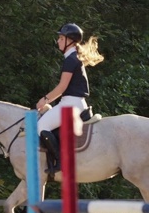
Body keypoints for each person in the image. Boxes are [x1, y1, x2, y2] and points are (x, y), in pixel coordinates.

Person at [36, 23, 104, 173]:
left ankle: (61, 161)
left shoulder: (71, 60)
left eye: (61, 38)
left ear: (70, 41)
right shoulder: (73, 57)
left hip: (71, 105)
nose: (58, 41)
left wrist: (45, 99)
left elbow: (62, 87)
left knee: (41, 126)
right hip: (74, 103)